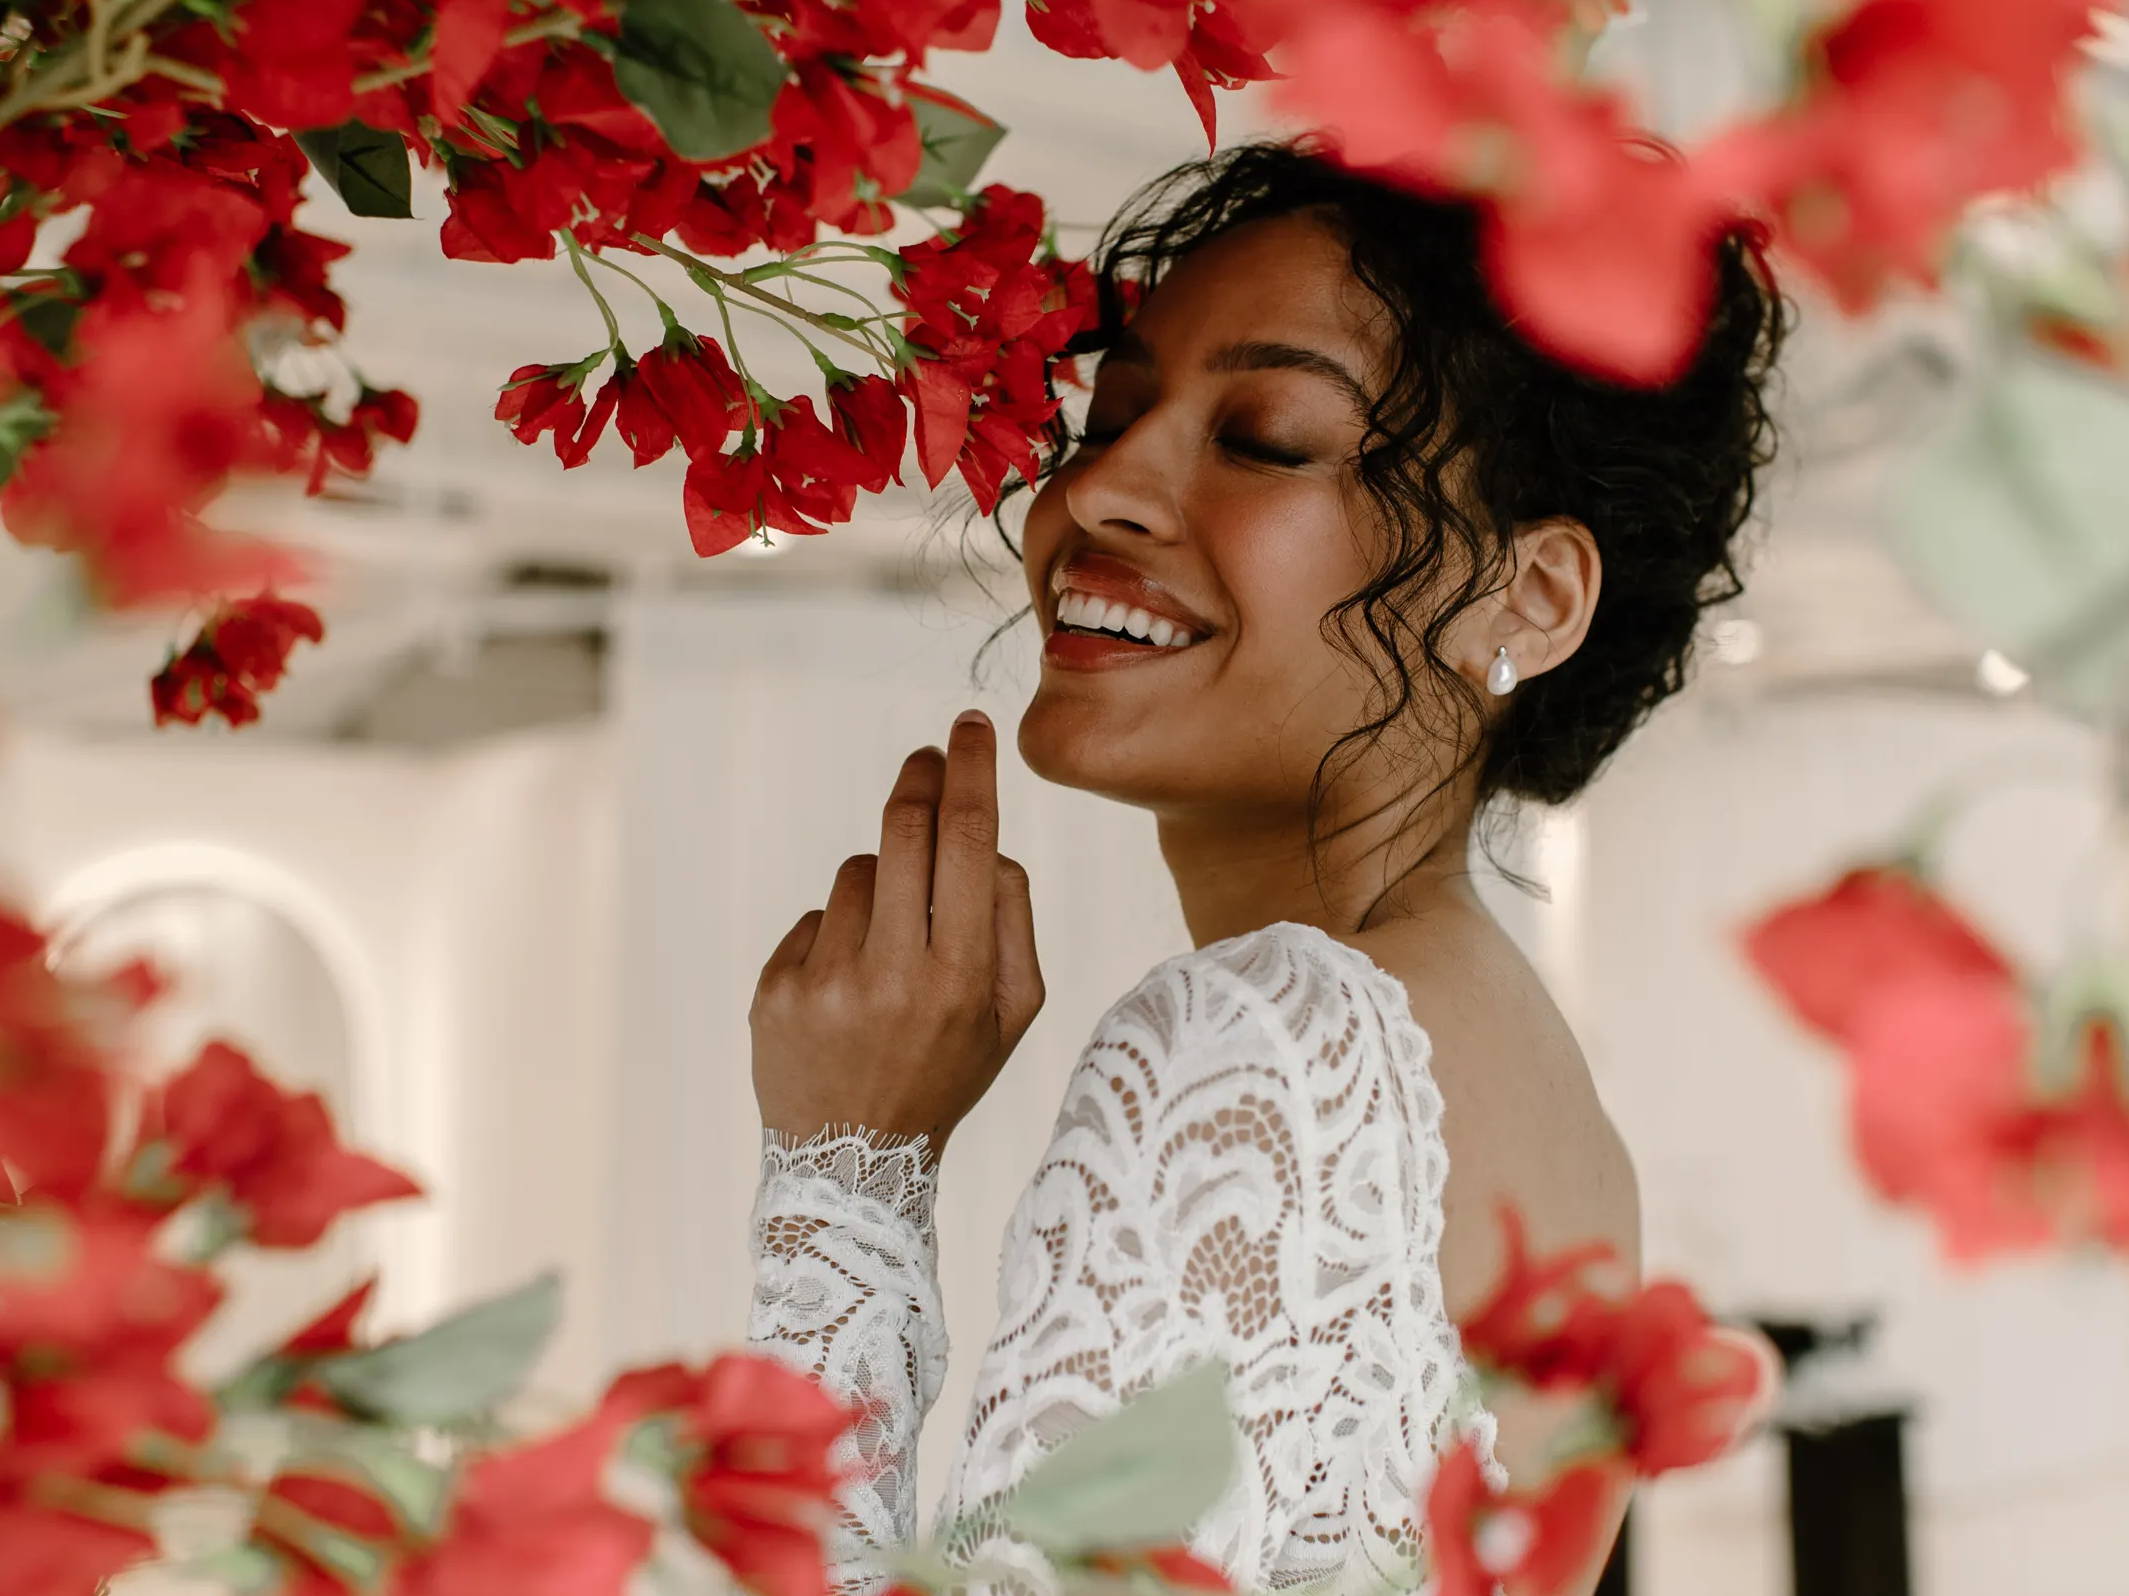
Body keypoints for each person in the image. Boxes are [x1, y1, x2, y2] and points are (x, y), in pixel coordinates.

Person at [742, 136, 1789, 1596]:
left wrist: (844, 1181)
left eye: (1268, 440)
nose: (1100, 492)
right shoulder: (1546, 1114)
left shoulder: (1267, 1041)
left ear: (1530, 595)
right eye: (1106, 418)